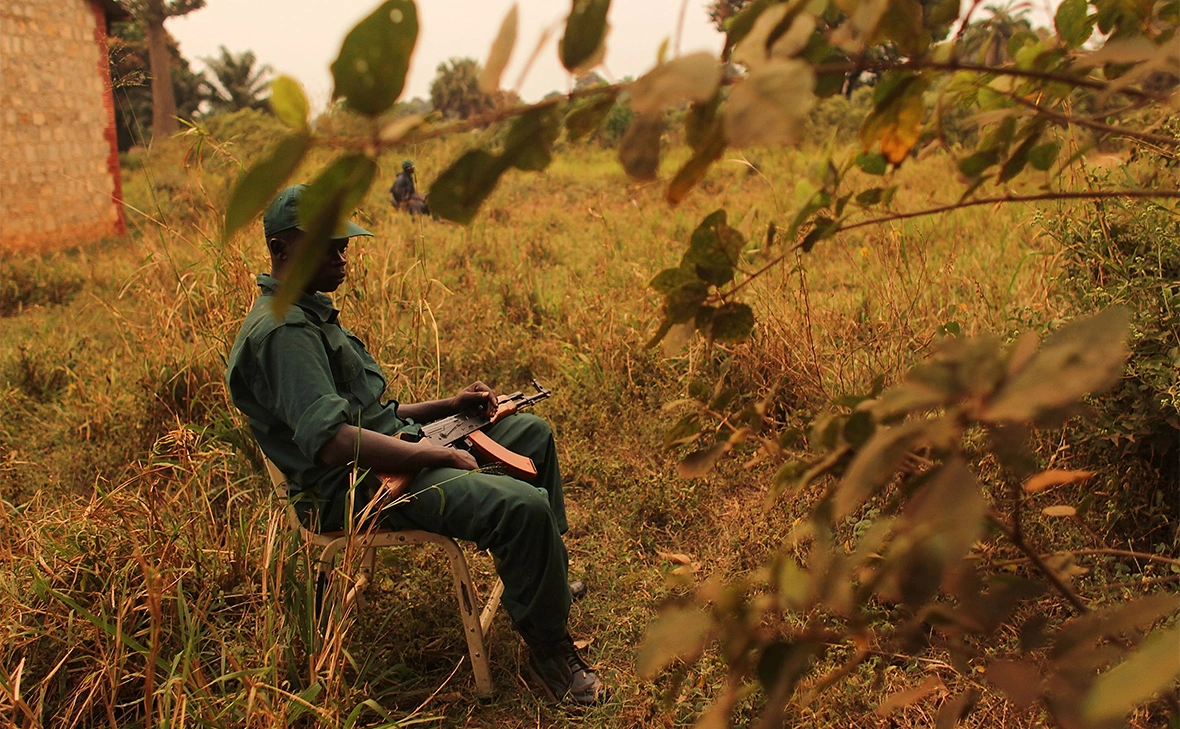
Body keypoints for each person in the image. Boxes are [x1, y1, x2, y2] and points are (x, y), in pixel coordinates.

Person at [225, 185, 606, 705]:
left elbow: (371, 417)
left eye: (344, 246)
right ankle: (551, 653)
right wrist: (439, 454)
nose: (342, 257)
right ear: (283, 248)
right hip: (356, 488)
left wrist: (449, 407)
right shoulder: (283, 333)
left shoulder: (308, 313)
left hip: (385, 454)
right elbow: (336, 443)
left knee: (531, 436)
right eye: (329, 246)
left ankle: (548, 579)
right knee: (521, 507)